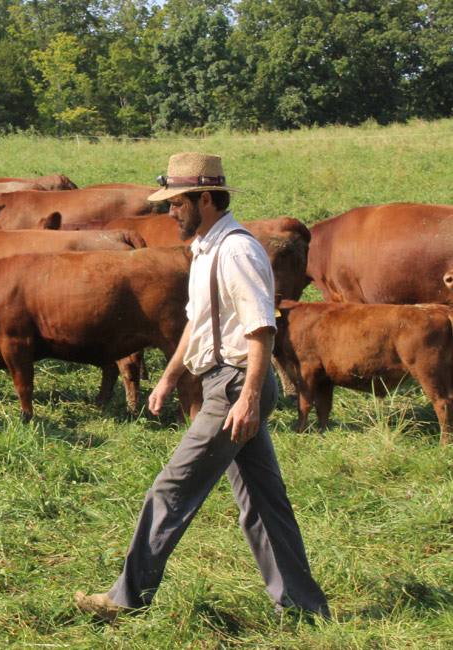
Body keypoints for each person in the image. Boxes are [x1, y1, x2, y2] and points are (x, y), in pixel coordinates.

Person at [74, 152, 329, 623]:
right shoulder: (206, 248)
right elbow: (198, 322)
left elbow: (261, 329)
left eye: (177, 203)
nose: (169, 212)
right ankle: (305, 607)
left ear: (206, 198)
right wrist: (170, 376)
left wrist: (250, 396)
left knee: (170, 489)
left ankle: (126, 598)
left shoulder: (237, 250)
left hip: (236, 385)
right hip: (224, 382)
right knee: (262, 504)